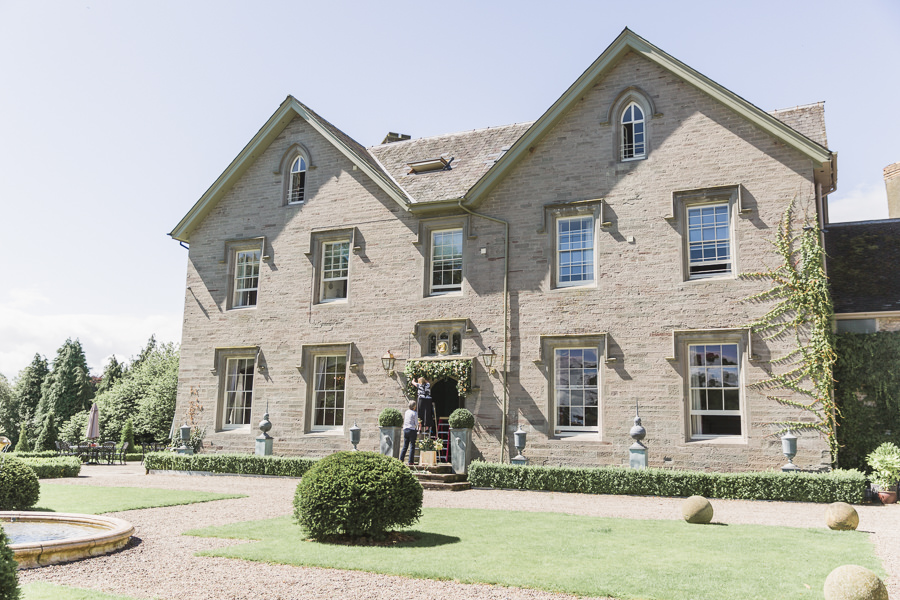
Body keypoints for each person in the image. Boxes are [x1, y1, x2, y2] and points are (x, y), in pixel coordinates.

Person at [399, 400, 419, 465]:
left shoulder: (406, 412)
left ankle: (401, 460)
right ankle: (410, 461)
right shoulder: (414, 413)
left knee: (405, 446)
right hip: (412, 430)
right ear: (414, 406)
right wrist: (419, 423)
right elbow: (416, 423)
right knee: (412, 446)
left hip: (405, 429)